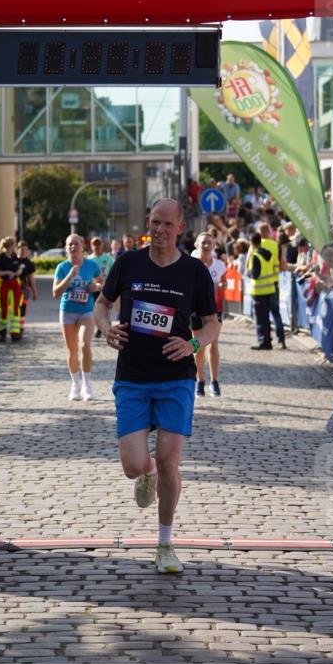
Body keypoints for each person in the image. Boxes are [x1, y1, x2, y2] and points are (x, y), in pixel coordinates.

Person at [94, 198, 219, 575]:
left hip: (176, 377)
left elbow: (213, 323)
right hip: (132, 375)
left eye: (167, 224)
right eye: (154, 223)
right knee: (134, 466)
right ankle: (145, 473)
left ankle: (165, 543)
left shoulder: (194, 271)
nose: (160, 230)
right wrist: (105, 328)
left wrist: (193, 344)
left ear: (181, 227)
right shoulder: (128, 263)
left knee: (169, 461)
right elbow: (102, 304)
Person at [53, 234, 101, 400]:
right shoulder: (62, 267)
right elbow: (56, 292)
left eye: (75, 244)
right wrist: (69, 276)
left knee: (84, 344)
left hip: (86, 310)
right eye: (69, 245)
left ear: (82, 247)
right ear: (66, 249)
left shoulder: (91, 265)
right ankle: (75, 384)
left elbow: (101, 283)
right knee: (71, 350)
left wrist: (95, 287)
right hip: (67, 311)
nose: (73, 247)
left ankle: (87, 385)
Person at [191, 232, 227, 398]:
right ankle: (200, 381)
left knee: (214, 344)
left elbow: (224, 284)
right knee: (198, 346)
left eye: (209, 243)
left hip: (215, 309)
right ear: (197, 245)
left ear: (213, 246)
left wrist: (222, 285)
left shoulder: (219, 265)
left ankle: (214, 381)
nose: (206, 245)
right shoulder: (191, 264)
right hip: (196, 310)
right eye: (203, 242)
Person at [0, 237, 23, 343]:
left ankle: (15, 333)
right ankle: (2, 334)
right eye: (14, 244)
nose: (15, 247)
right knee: (3, 309)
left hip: (14, 284)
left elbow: (19, 267)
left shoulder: (15, 257)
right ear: (10, 246)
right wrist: (6, 273)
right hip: (3, 284)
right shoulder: (0, 257)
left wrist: (19, 271)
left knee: (15, 308)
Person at [17, 240, 38, 335]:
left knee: (22, 309)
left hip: (23, 290)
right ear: (17, 249)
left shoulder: (28, 263)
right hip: (11, 289)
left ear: (28, 251)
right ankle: (12, 327)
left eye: (25, 250)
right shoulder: (12, 259)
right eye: (21, 249)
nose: (23, 252)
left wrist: (35, 292)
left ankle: (20, 328)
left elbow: (31, 278)